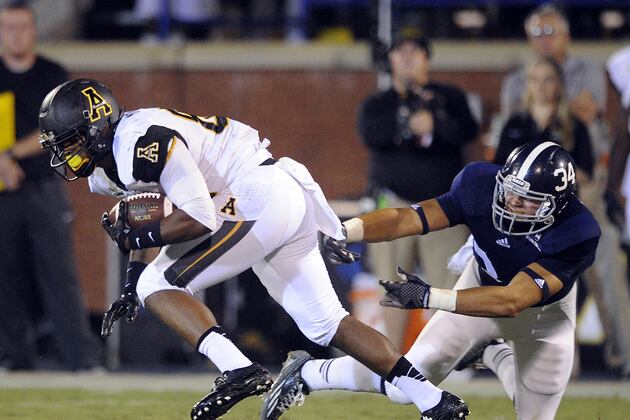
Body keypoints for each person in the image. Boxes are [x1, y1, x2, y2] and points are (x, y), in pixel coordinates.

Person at [38, 78, 469, 420]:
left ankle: (239, 370)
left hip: (255, 194)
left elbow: (197, 218)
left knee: (161, 282)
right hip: (264, 198)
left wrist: (140, 251)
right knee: (326, 325)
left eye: (71, 141)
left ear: (97, 125)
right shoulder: (107, 167)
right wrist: (132, 279)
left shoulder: (140, 141)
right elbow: (149, 214)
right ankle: (434, 401)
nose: (65, 154)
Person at [265, 142, 600, 420]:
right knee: (403, 387)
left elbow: (512, 300)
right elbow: (409, 218)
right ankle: (307, 374)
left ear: (556, 207)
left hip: (544, 318)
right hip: (477, 287)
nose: (512, 203)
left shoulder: (577, 233)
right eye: (511, 191)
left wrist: (428, 297)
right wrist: (347, 230)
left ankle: (494, 354)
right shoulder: (480, 184)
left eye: (528, 201)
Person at [502, 4, 630, 377]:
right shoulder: (518, 107)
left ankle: (624, 355)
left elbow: (590, 123)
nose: (544, 41)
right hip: (529, 210)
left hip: (580, 201)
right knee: (541, 287)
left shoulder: (586, 75)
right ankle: (553, 365)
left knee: (607, 277)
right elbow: (505, 158)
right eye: (537, 34)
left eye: (551, 32)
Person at [358, 29, 478, 346]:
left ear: (427, 57)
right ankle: (393, 359)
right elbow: (371, 134)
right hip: (394, 203)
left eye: (416, 50)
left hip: (442, 206)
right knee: (392, 285)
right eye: (401, 51)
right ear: (391, 59)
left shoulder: (449, 96)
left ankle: (453, 354)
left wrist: (435, 124)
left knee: (450, 286)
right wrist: (406, 126)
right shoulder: (379, 103)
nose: (408, 57)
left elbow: (467, 130)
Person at [0, 2, 98, 371]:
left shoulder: (51, 73)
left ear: (33, 30)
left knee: (59, 274)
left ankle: (81, 359)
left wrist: (10, 155)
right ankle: (16, 358)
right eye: (8, 28)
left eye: (22, 27)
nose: (16, 34)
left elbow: (57, 128)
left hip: (44, 187)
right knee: (6, 276)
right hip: (3, 192)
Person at [494, 56, 594, 182]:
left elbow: (586, 173)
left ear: (558, 83)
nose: (540, 86)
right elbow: (498, 167)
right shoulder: (514, 124)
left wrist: (547, 174)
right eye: (534, 79)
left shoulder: (574, 126)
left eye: (548, 80)